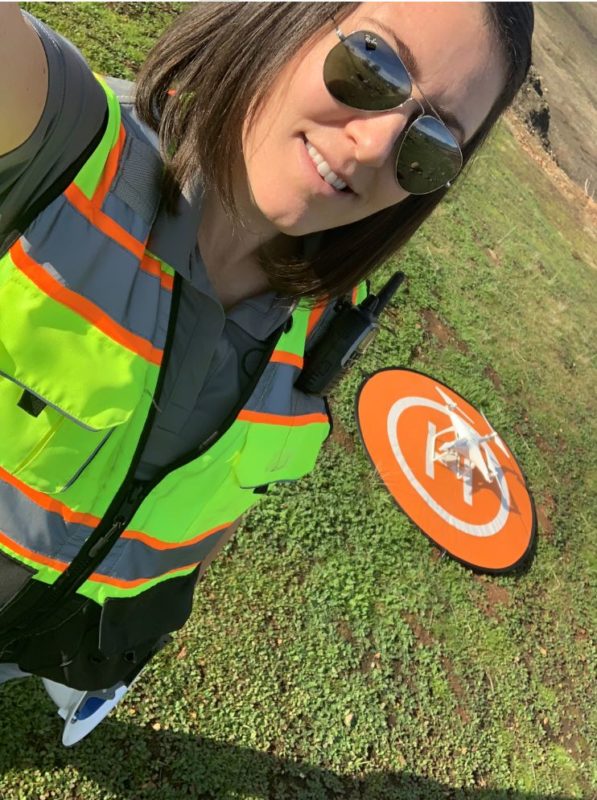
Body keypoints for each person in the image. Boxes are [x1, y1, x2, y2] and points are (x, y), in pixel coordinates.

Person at [0, 1, 534, 738]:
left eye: (431, 142)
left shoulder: (320, 325)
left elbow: (217, 503)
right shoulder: (54, 142)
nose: (376, 145)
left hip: (62, 646)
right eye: (373, 64)